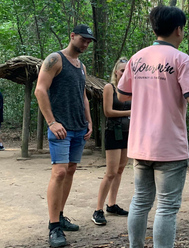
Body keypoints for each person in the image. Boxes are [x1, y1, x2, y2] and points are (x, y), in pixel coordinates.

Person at [117, 6, 189, 248]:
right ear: (178, 30)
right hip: (169, 146)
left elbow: (122, 94)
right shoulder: (182, 59)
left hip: (140, 144)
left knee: (140, 201)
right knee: (166, 207)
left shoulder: (137, 58)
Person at [34, 24, 95, 248]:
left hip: (79, 127)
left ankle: (60, 215)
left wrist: (88, 121)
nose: (86, 43)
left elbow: (84, 96)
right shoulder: (55, 59)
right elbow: (40, 90)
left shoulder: (81, 67)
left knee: (70, 170)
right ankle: (54, 228)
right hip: (60, 127)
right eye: (83, 39)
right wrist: (51, 122)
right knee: (58, 172)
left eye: (89, 41)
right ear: (72, 36)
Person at [92, 58, 131, 226]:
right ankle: (98, 210)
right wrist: (131, 111)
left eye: (127, 71)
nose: (124, 73)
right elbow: (108, 112)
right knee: (111, 172)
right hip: (113, 132)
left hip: (128, 132)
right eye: (122, 70)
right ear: (116, 71)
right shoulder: (109, 88)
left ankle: (112, 204)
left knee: (120, 170)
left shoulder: (131, 90)